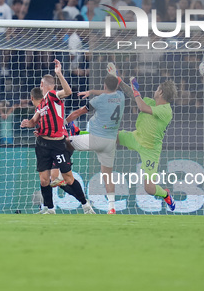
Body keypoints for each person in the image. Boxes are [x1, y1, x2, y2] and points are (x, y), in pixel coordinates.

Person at [20, 60, 94, 214]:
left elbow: (67, 92)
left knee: (68, 178)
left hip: (58, 144)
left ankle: (85, 204)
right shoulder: (41, 105)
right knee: (44, 179)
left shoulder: (53, 95)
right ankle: (49, 208)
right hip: (42, 144)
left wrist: (59, 74)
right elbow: (34, 121)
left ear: (42, 84)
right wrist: (28, 123)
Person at [109, 62, 176, 211]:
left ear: (161, 93)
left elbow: (141, 107)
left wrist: (136, 91)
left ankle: (165, 194)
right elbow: (132, 95)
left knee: (149, 188)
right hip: (136, 137)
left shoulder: (166, 110)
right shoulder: (152, 101)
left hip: (150, 150)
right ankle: (79, 133)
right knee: (108, 136)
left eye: (158, 89)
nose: (155, 90)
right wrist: (118, 80)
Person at [66, 75, 125, 214]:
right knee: (107, 175)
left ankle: (64, 166)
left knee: (66, 141)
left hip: (96, 139)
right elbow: (110, 91)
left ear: (104, 86)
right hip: (110, 142)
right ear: (116, 87)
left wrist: (64, 122)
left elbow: (78, 112)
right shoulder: (121, 96)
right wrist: (92, 91)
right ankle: (112, 207)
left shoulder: (99, 100)